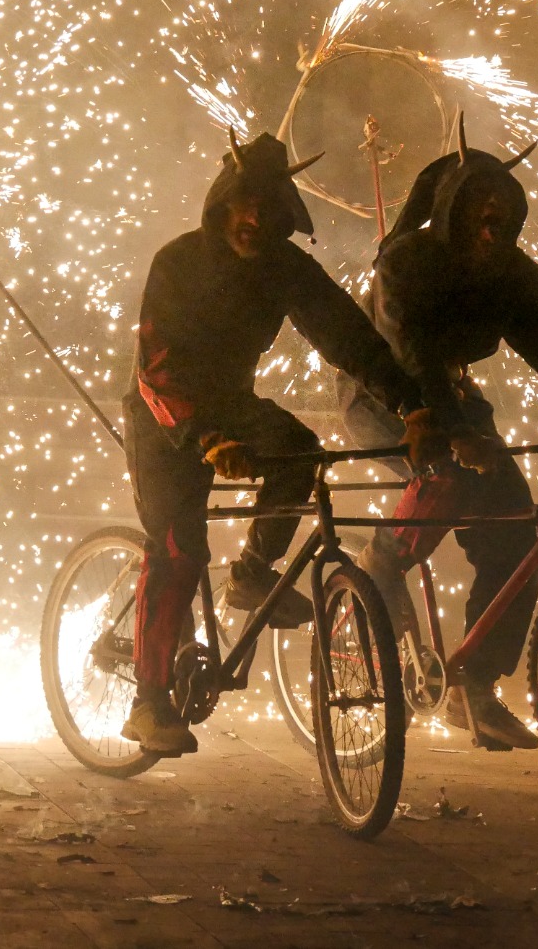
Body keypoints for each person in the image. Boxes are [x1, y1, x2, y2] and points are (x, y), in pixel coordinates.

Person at [339, 115, 538, 751]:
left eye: (504, 209)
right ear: (455, 208)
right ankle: (384, 560)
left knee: (515, 534)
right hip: (389, 391)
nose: (494, 217)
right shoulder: (408, 261)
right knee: (450, 475)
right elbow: (411, 352)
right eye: (481, 205)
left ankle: (476, 687)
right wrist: (449, 429)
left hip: (451, 397)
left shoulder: (512, 274)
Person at [121, 130, 443, 757]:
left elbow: (347, 336)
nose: (254, 220)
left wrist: (412, 405)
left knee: (302, 454)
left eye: (269, 209)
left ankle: (251, 572)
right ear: (222, 203)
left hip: (232, 405)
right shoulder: (177, 262)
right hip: (167, 415)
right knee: (178, 552)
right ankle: (148, 704)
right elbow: (155, 368)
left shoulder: (284, 267)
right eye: (245, 204)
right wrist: (207, 438)